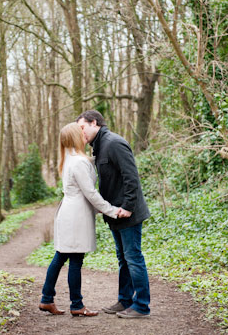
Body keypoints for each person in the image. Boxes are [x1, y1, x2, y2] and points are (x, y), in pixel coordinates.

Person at [39, 123, 120, 317]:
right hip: (75, 215)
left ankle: (47, 299)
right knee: (74, 259)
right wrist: (112, 211)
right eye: (80, 132)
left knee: (61, 257)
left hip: (69, 212)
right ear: (76, 137)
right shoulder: (78, 162)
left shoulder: (70, 159)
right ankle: (76, 304)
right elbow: (91, 193)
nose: (84, 133)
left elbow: (86, 166)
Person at [77, 110, 151, 318]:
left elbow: (131, 177)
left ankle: (141, 306)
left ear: (94, 123)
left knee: (133, 258)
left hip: (128, 213)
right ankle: (125, 300)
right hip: (115, 214)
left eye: (82, 127)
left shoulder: (114, 143)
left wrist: (127, 206)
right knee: (123, 259)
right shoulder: (99, 147)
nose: (80, 132)